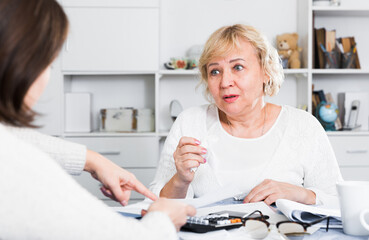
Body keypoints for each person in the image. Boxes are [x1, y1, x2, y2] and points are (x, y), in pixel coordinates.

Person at [0, 0, 195, 239]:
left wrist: (91, 159)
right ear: (22, 61)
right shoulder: (20, 168)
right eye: (49, 63)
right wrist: (163, 221)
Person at [150, 24, 343, 206]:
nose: (225, 82)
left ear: (266, 71)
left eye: (238, 67)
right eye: (215, 71)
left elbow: (338, 201)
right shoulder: (190, 123)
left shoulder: (303, 126)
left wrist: (302, 194)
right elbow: (155, 205)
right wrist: (180, 180)